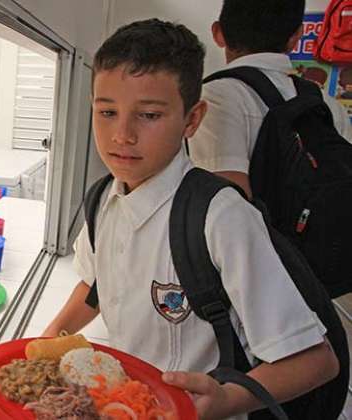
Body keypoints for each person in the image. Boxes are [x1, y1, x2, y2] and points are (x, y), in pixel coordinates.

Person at [42, 19, 338, 419]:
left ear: (192, 120)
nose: (122, 135)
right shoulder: (103, 199)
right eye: (107, 111)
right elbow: (93, 284)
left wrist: (229, 399)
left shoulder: (221, 217)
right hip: (131, 404)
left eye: (148, 115)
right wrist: (44, 345)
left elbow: (317, 362)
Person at [189, 0, 352, 197]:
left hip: (252, 227)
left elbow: (225, 198)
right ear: (297, 36)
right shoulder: (328, 105)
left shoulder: (215, 97)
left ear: (218, 33)